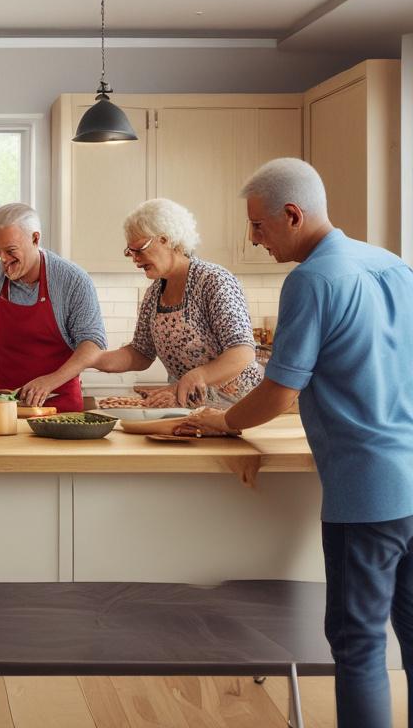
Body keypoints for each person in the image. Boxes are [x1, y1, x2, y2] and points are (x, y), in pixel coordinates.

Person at [183, 157, 413, 728]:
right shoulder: (393, 265)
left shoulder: (311, 280)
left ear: (292, 214)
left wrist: (225, 422)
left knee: (358, 644)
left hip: (367, 490)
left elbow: (280, 391)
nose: (252, 238)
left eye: (258, 225)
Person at [93, 198, 262, 407]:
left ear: (166, 239)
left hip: (241, 406)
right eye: (130, 251)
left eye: (139, 249)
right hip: (190, 407)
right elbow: (141, 353)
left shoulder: (214, 281)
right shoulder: (154, 293)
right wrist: (94, 359)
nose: (134, 259)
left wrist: (191, 379)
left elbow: (242, 353)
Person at [0, 203, 105, 410]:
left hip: (59, 408)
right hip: (3, 408)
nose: (3, 259)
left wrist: (50, 381)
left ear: (35, 239)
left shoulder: (73, 280)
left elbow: (92, 343)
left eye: (10, 250)